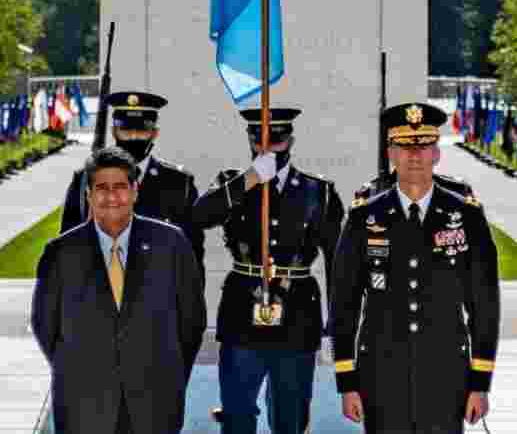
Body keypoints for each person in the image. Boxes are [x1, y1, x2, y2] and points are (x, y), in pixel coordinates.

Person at [330, 102, 499, 432]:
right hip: (380, 372)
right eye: (404, 146)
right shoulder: (365, 217)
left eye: (423, 145)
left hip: (446, 370)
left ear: (436, 153)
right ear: (390, 153)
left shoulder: (466, 215)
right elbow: (343, 303)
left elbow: (485, 304)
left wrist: (480, 382)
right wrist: (347, 382)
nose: (414, 155)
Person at [31, 146, 206, 434]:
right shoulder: (61, 253)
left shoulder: (171, 245)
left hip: (155, 402)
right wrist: (77, 368)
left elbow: (191, 320)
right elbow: (45, 325)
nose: (111, 197)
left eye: (120, 187)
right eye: (101, 188)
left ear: (135, 192)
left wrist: (168, 374)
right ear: (88, 194)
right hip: (83, 404)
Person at [193, 106, 344, 434]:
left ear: (289, 140)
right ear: (249, 141)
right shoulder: (231, 185)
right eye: (260, 140)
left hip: (297, 315)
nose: (268, 148)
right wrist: (248, 180)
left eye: (276, 140)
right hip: (242, 312)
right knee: (236, 414)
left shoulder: (319, 191)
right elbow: (200, 216)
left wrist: (337, 324)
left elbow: (337, 262)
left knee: (290, 417)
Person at [60, 91, 203, 268]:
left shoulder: (180, 184)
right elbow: (65, 249)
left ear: (154, 133)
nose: (133, 137)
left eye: (142, 130)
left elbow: (192, 257)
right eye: (126, 130)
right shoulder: (84, 179)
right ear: (114, 132)